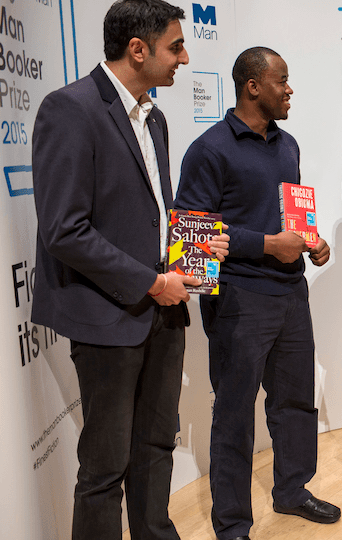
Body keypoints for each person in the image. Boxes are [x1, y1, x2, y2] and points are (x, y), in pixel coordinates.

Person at [31, 1, 228, 538]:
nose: (185, 58)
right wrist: (150, 281)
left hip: (163, 310)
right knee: (104, 468)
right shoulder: (68, 109)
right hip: (107, 315)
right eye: (175, 46)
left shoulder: (154, 117)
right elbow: (64, 230)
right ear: (137, 50)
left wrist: (194, 255)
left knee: (156, 447)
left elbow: (151, 213)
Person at [174, 47, 339, 539]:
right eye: (281, 80)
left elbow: (291, 218)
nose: (290, 90)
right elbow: (191, 236)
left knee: (294, 403)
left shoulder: (288, 145)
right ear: (253, 86)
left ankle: (291, 491)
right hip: (237, 301)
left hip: (290, 294)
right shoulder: (209, 149)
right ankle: (231, 524)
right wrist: (267, 244)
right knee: (234, 415)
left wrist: (312, 242)